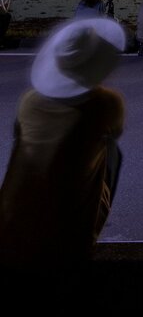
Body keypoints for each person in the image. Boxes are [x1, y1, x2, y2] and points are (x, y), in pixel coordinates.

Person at [0, 18, 126, 266]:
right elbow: (115, 131)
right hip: (67, 242)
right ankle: (90, 223)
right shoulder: (105, 103)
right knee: (111, 151)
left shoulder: (30, 101)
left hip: (9, 226)